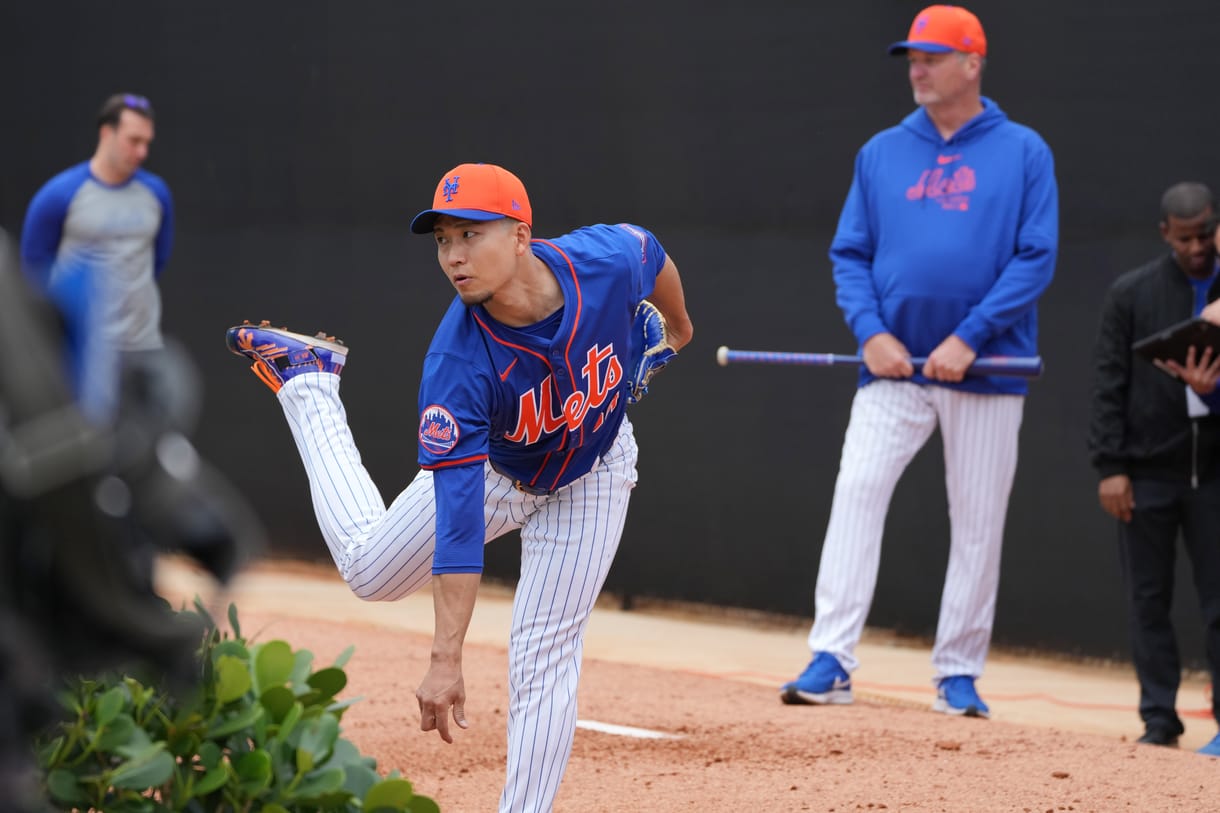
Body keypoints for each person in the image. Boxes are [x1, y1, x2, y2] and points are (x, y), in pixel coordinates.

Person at [224, 162, 693, 812]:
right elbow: (461, 528)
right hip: (497, 470)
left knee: (544, 651)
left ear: (521, 234)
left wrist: (679, 325)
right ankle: (309, 380)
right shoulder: (457, 363)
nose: (453, 256)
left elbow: (652, 252)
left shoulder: (604, 260)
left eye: (470, 234)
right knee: (367, 571)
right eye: (444, 239)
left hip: (594, 467)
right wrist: (446, 656)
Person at [780, 4, 1058, 718]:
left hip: (986, 367)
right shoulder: (880, 152)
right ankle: (831, 656)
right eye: (913, 56)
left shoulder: (1024, 150)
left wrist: (972, 336)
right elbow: (851, 253)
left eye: (932, 56)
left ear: (973, 63)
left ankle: (958, 670)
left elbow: (1036, 256)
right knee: (857, 491)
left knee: (977, 519)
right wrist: (871, 331)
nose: (918, 67)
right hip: (894, 368)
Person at [1088, 181, 1220, 757]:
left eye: (1207, 234)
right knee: (1148, 599)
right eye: (1186, 237)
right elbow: (1108, 385)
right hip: (1148, 471)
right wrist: (1111, 467)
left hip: (1215, 471)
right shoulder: (1132, 294)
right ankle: (1159, 717)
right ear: (1165, 233)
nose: (1198, 247)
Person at [19, 92, 174, 422]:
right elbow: (33, 273)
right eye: (134, 141)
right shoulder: (59, 195)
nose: (142, 152)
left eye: (147, 142)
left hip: (138, 345)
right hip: (78, 353)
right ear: (107, 133)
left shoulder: (155, 194)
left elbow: (157, 259)